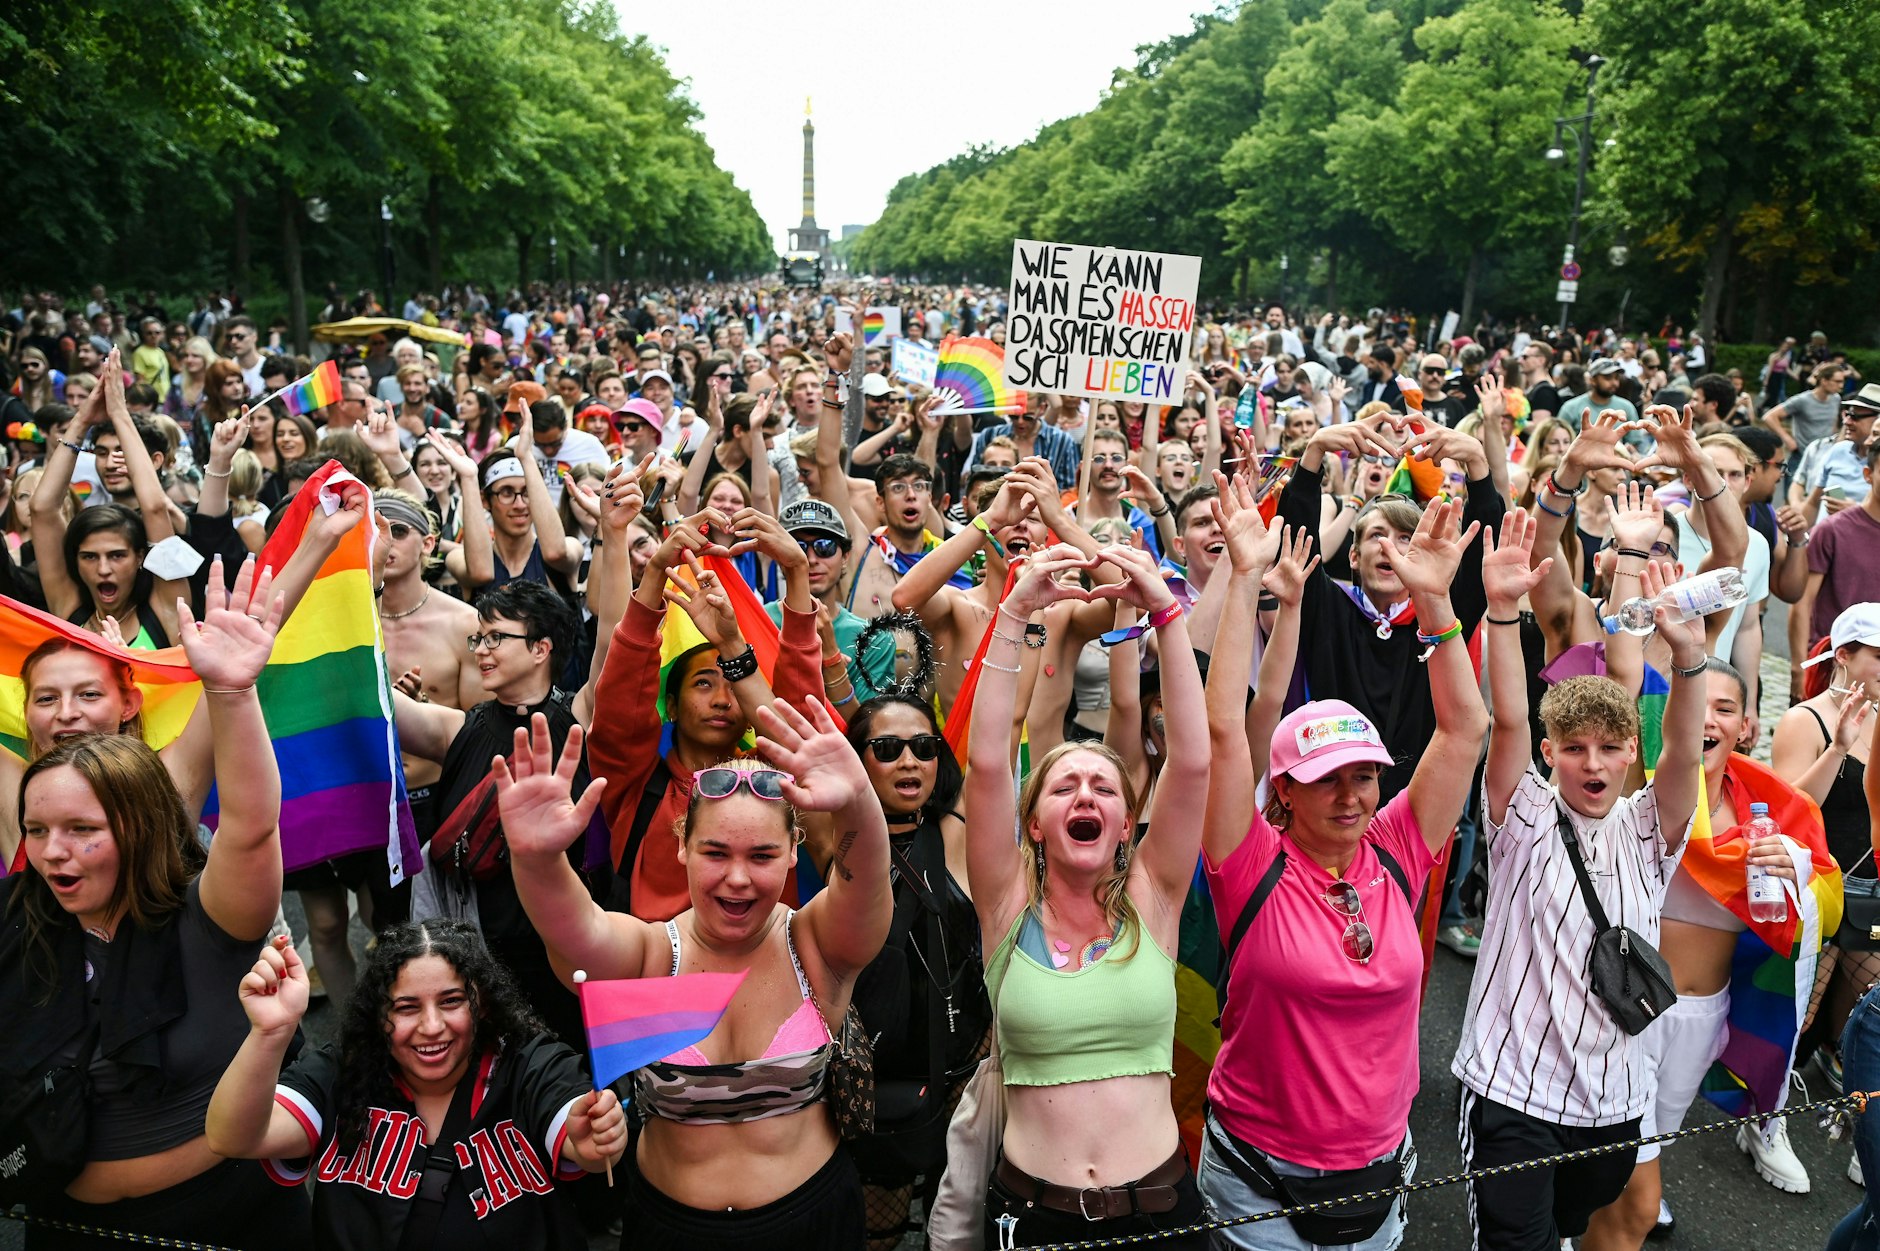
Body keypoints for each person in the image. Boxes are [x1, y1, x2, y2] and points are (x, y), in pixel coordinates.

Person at [1198, 486, 1493, 1251]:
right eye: (1326, 775)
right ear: (1284, 790)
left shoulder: (1398, 848)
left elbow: (1465, 731)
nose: (1350, 793)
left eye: (1363, 774)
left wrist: (1438, 604)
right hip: (1256, 1175)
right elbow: (1223, 732)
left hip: (1380, 1171)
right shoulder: (1250, 861)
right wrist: (1241, 579)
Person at [499, 698, 892, 1250]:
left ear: (791, 853)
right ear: (682, 847)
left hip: (811, 1220)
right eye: (714, 852)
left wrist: (859, 804)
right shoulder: (651, 957)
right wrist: (537, 861)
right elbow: (575, 935)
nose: (737, 878)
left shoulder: (816, 946)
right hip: (671, 1227)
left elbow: (867, 889)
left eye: (761, 855)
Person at [0, 563, 302, 1249]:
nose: (52, 852)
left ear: (136, 825)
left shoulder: (207, 918)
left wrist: (231, 692)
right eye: (38, 830)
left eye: (82, 831)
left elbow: (253, 825)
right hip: (62, 1226)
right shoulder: (13, 922)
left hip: (232, 1220)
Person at [1454, 556, 1708, 1251]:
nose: (1592, 763)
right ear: (1550, 752)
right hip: (1513, 1094)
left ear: (1632, 751)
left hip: (1615, 1103)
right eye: (1574, 748)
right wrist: (1502, 613)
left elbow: (1685, 754)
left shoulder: (1647, 829)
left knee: (1571, 1228)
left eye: (1609, 747)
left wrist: (1688, 659)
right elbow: (1505, 720)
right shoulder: (1526, 815)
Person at [964, 540, 1212, 1248]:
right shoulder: (1005, 907)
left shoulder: (1153, 898)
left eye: (1103, 786)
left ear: (1126, 822)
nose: (1085, 794)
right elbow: (986, 763)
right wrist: (1012, 613)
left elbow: (1192, 762)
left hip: (1162, 1212)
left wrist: (1167, 614)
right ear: (1035, 823)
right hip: (1033, 1218)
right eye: (1064, 785)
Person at [204, 920, 625, 1249]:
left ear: (482, 1001)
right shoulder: (344, 1070)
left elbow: (577, 1130)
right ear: (377, 1015)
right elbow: (233, 1136)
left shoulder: (527, 1064)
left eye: (451, 1001)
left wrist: (593, 1134)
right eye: (406, 1007)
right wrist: (270, 1033)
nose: (431, 1027)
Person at [811, 696, 988, 1249]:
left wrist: (1018, 629)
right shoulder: (838, 837)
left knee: (960, 1233)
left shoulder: (959, 830)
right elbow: (786, 727)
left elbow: (1001, 724)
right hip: (871, 1093)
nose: (909, 760)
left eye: (923, 747)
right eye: (887, 749)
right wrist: (740, 658)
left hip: (962, 1083)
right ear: (857, 761)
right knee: (877, 1239)